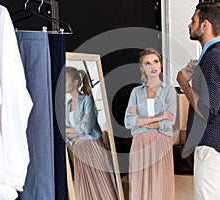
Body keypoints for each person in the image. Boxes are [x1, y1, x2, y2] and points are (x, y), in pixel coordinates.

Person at [176, 2, 220, 200]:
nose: (189, 25)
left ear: (204, 25)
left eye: (193, 20)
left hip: (211, 143)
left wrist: (183, 83)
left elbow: (207, 109)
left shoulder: (213, 59)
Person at [124, 48, 177, 200]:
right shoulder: (136, 92)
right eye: (147, 63)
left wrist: (141, 122)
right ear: (142, 68)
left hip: (161, 143)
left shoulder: (169, 91)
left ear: (160, 65)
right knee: (140, 187)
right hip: (139, 145)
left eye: (155, 61)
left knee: (160, 187)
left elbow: (168, 124)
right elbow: (129, 122)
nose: (153, 66)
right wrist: (158, 117)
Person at [65, 66, 118, 200]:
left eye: (66, 80)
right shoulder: (67, 106)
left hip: (92, 147)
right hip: (78, 150)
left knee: (101, 186)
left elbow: (87, 128)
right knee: (86, 189)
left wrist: (75, 130)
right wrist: (78, 129)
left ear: (76, 82)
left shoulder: (87, 100)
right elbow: (65, 132)